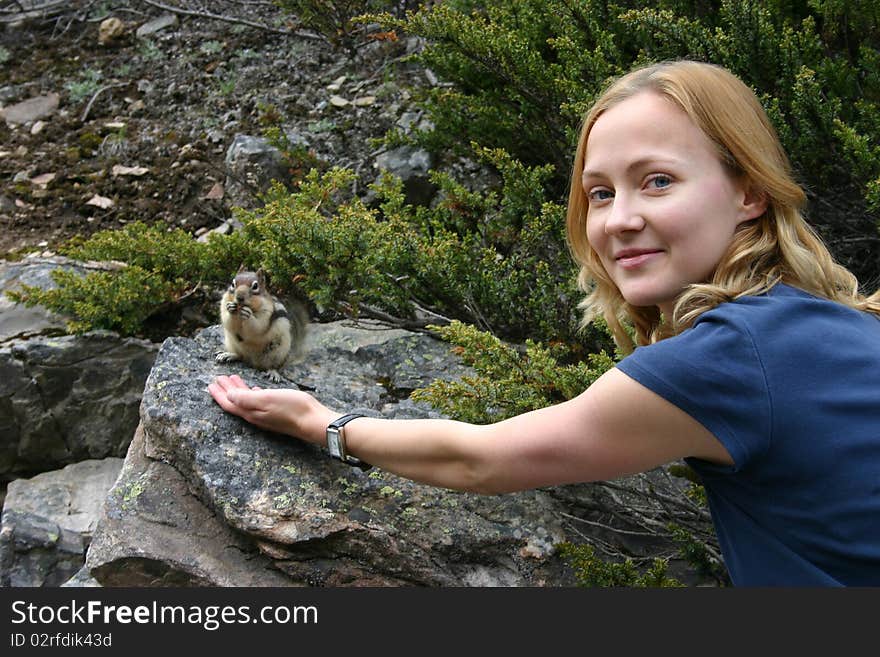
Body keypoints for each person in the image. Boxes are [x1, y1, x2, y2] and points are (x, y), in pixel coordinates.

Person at [210, 60, 880, 586]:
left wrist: (317, 423)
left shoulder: (730, 355)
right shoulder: (831, 324)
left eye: (658, 181)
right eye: (600, 192)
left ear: (749, 192)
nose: (619, 218)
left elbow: (481, 459)